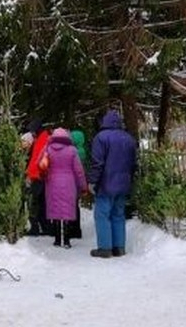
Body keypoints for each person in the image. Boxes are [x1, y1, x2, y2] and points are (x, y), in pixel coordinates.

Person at [87, 109, 138, 258]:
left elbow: (97, 163)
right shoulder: (129, 138)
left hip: (106, 183)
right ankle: (119, 247)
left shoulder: (101, 138)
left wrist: (92, 181)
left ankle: (105, 248)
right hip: (123, 183)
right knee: (118, 215)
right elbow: (133, 164)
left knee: (102, 215)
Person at [41, 128, 87, 248]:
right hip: (68, 182)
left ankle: (57, 239)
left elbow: (41, 164)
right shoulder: (72, 150)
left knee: (55, 208)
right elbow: (79, 170)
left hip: (52, 182)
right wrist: (83, 186)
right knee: (67, 210)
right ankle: (66, 240)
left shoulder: (48, 149)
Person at [23, 118, 52, 236]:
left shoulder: (42, 140)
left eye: (33, 130)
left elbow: (37, 160)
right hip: (40, 175)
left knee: (34, 203)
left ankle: (35, 227)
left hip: (38, 175)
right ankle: (45, 227)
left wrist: (29, 173)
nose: (32, 133)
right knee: (41, 203)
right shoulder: (43, 138)